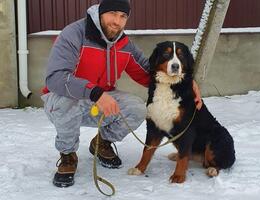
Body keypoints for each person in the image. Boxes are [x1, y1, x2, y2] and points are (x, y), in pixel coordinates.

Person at [41, 0, 202, 188]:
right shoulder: (74, 34)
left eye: (123, 16)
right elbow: (55, 78)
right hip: (66, 100)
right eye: (113, 14)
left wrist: (188, 82)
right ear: (100, 13)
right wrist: (96, 93)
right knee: (64, 102)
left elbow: (150, 72)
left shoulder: (124, 44)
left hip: (101, 100)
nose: (117, 21)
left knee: (136, 108)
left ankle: (102, 143)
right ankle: (67, 155)